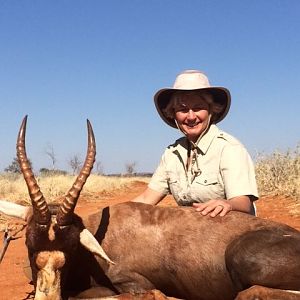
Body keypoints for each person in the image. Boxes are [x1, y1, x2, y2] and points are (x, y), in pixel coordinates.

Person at [132, 69, 258, 217]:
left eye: (198, 108)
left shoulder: (229, 148)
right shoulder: (172, 153)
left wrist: (228, 204)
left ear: (212, 110)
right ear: (173, 114)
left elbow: (244, 203)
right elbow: (146, 199)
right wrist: (111, 214)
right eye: (183, 109)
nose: (191, 117)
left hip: (232, 233)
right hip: (193, 232)